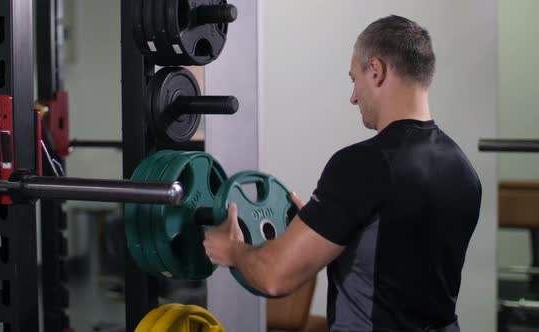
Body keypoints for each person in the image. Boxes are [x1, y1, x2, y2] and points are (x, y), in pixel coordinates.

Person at [203, 15, 481, 332]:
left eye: (354, 79)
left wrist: (232, 250)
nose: (353, 97)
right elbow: (401, 259)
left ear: (376, 70)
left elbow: (274, 277)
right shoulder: (462, 169)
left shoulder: (363, 164)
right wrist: (328, 225)